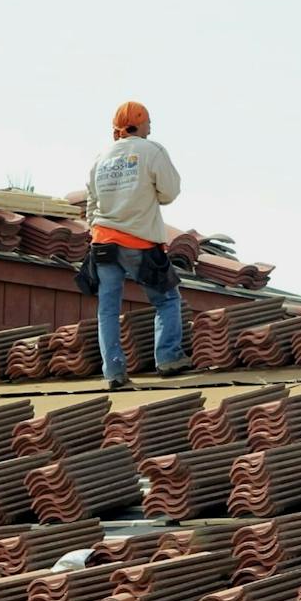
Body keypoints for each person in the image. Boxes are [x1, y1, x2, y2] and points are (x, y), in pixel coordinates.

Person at [86, 101, 187, 388]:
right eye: (149, 122)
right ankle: (168, 358)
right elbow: (169, 192)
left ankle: (114, 372)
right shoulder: (151, 150)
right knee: (166, 299)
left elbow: (91, 205)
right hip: (139, 242)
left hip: (103, 242)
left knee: (107, 310)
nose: (151, 127)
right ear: (140, 124)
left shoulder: (100, 157)